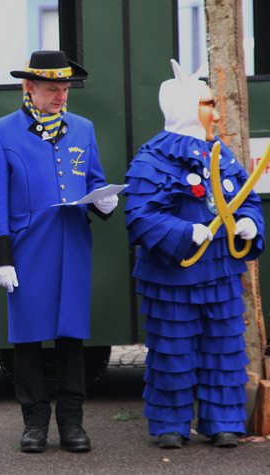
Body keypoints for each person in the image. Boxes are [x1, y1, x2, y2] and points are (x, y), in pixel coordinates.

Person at [0, 50, 118, 454]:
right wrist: (0, 256)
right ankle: (35, 424)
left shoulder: (83, 128)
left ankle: (72, 424)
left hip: (72, 244)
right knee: (27, 340)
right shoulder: (0, 132)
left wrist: (103, 202)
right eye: (52, 89)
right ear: (28, 88)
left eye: (65, 89)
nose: (61, 97)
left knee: (72, 338)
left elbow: (92, 179)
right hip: (26, 248)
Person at [125, 60, 264, 449]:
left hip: (220, 276)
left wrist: (250, 223)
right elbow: (139, 217)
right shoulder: (152, 159)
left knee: (224, 348)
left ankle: (223, 422)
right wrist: (186, 232)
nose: (217, 114)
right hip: (172, 279)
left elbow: (246, 198)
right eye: (208, 104)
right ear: (187, 108)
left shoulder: (221, 154)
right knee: (173, 348)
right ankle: (170, 424)